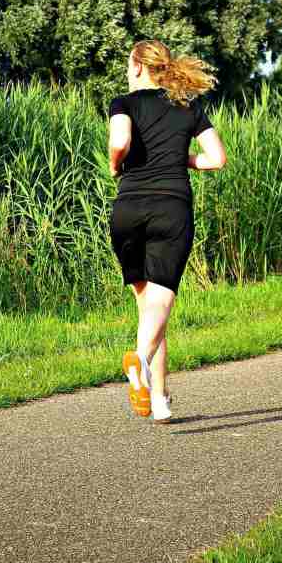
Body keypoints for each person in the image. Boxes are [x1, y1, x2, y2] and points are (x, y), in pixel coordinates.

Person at [108, 40, 227, 423]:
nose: (128, 72)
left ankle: (159, 399)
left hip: (127, 210)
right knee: (160, 305)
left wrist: (115, 165)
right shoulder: (188, 107)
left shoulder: (123, 103)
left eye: (129, 65)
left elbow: (120, 141)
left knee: (150, 311)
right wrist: (184, 159)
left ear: (139, 67)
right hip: (170, 209)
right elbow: (217, 159)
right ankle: (140, 362)